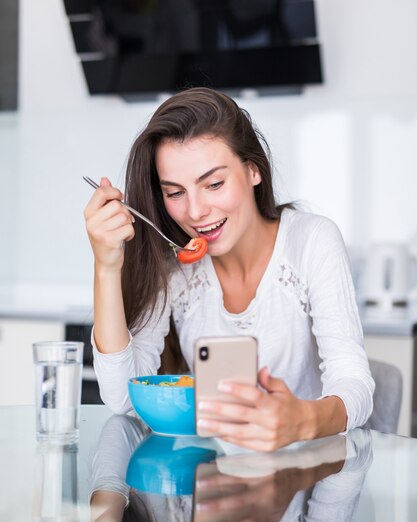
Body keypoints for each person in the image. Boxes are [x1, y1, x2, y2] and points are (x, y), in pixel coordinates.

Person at [84, 86, 374, 451]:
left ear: (253, 170)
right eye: (175, 193)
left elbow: (354, 382)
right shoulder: (176, 267)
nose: (195, 211)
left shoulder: (312, 240)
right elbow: (121, 398)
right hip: (208, 484)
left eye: (214, 184)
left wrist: (300, 421)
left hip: (306, 472)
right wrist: (106, 267)